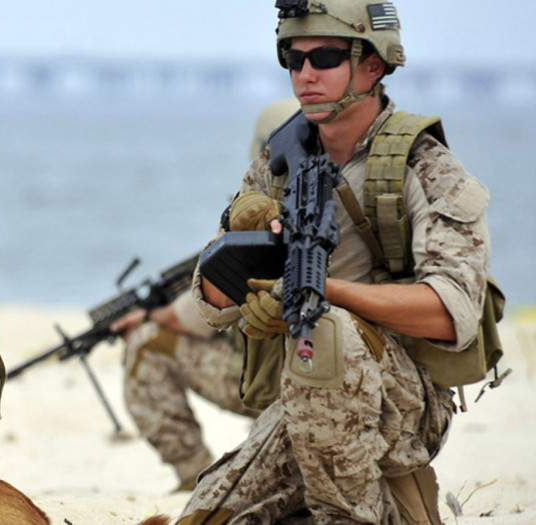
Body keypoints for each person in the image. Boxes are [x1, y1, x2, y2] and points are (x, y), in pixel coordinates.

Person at [180, 1, 491, 523]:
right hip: (301, 389)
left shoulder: (422, 164)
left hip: (403, 399)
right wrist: (247, 235)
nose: (305, 76)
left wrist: (326, 290)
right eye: (292, 59)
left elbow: (452, 312)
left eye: (324, 57)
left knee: (325, 330)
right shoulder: (280, 160)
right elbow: (210, 305)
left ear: (374, 64)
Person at [108, 98, 297, 493]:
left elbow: (200, 313)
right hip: (338, 373)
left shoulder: (257, 212)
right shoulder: (339, 197)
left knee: (146, 346)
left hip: (279, 382)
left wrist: (148, 318)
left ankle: (193, 477)